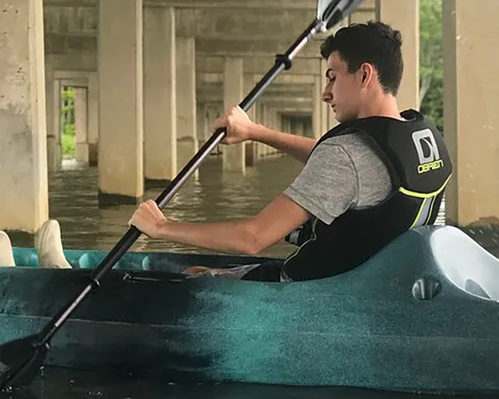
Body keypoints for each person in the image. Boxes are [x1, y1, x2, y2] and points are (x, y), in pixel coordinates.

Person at [0, 21, 453, 282]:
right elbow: (344, 164)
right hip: (369, 282)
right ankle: (59, 272)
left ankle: (54, 282)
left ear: (366, 74)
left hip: (312, 293)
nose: (327, 92)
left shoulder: (350, 154)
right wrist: (257, 132)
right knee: (211, 267)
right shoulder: (416, 138)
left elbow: (255, 236)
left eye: (333, 76)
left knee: (196, 279)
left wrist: (162, 227)